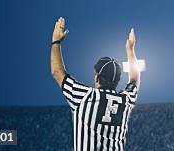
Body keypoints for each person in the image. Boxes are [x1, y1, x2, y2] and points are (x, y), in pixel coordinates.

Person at [50, 17, 141, 151]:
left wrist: (56, 42)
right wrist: (130, 50)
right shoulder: (125, 101)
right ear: (117, 81)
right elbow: (134, 79)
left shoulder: (84, 96)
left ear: (97, 76)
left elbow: (57, 72)